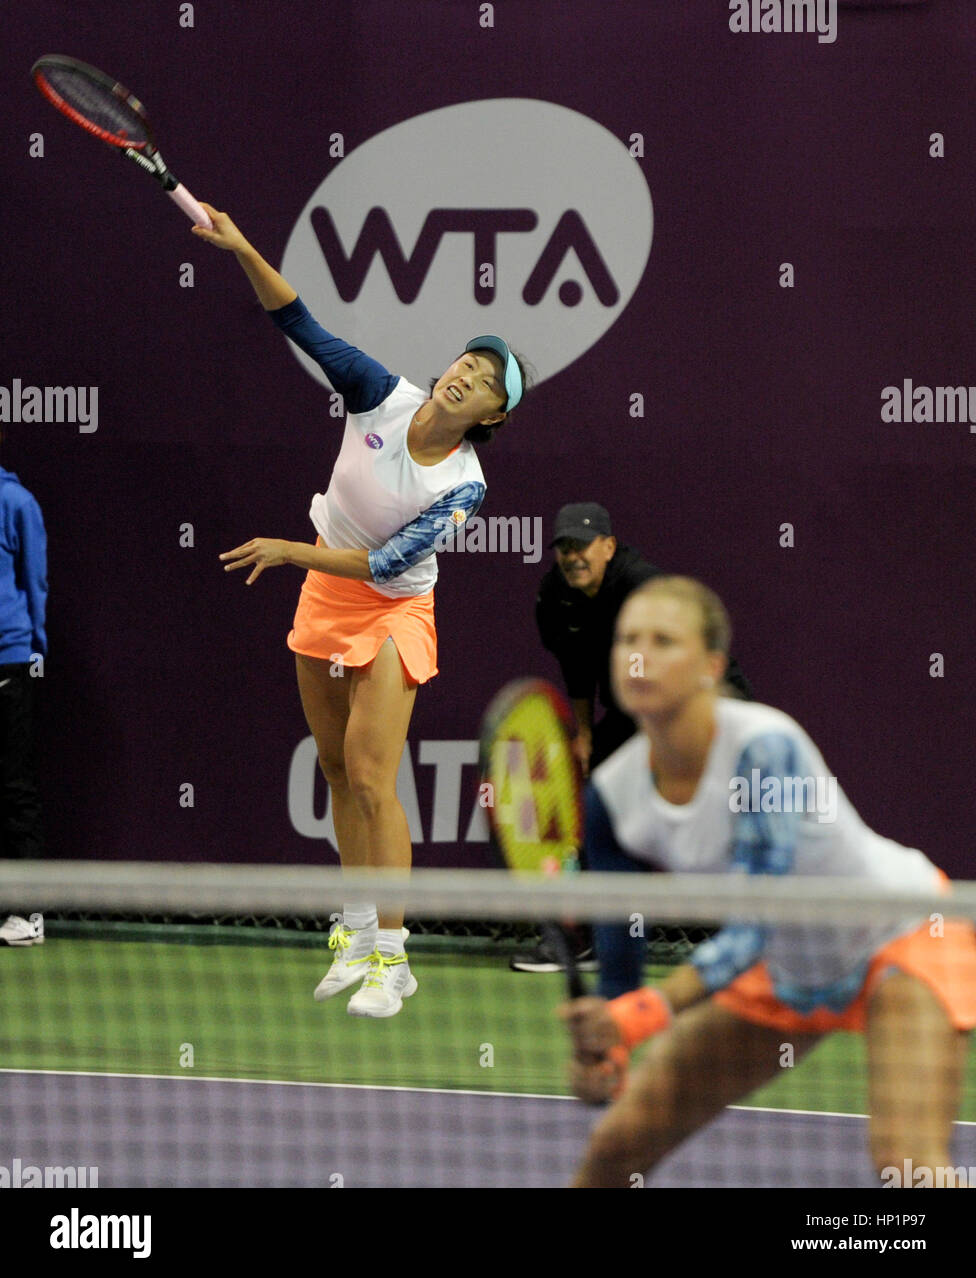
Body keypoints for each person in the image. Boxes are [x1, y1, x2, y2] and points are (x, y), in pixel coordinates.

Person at [193, 204, 529, 1018]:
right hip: (326, 590)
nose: (467, 376)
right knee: (336, 769)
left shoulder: (464, 486)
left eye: (486, 382)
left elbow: (385, 565)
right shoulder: (380, 394)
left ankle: (394, 958)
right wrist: (242, 247)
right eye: (468, 362)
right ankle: (354, 932)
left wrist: (290, 549)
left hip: (393, 609)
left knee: (375, 777)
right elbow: (298, 322)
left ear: (492, 416)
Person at [562, 575, 976, 1187]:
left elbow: (757, 917)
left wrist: (647, 1013)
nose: (639, 658)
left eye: (663, 641)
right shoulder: (613, 795)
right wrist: (608, 1043)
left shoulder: (764, 747)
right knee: (615, 1151)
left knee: (908, 1169)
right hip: (786, 970)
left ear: (711, 665)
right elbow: (620, 947)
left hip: (901, 933)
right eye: (628, 640)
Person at [511, 504, 751, 973]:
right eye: (564, 547)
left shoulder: (644, 591)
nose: (572, 556)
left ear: (608, 546)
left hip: (704, 702)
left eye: (582, 546)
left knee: (723, 812)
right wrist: (584, 734)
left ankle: (756, 933)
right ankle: (586, 938)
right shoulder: (556, 594)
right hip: (638, 709)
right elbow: (576, 668)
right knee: (597, 801)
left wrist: (672, 745)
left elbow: (679, 669)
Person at [0, 427, 47, 946]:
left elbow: (35, 582)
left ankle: (28, 914)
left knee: (13, 787)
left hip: (8, 662)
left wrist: (35, 650)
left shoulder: (16, 502)